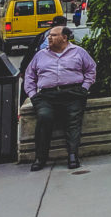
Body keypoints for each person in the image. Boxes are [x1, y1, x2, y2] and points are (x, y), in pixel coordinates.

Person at [24, 26, 96, 170]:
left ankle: (72, 155)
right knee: (44, 117)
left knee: (73, 120)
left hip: (72, 93)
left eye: (54, 35)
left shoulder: (78, 52)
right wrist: (33, 95)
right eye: (49, 35)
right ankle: (40, 158)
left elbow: (91, 70)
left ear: (64, 37)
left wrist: (84, 88)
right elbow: (29, 76)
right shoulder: (40, 55)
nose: (49, 38)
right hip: (47, 95)